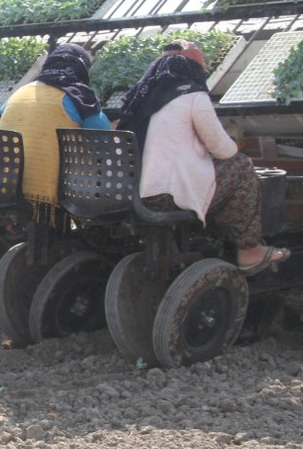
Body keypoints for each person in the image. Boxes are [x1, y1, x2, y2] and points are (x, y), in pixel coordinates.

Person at [118, 40, 289, 275]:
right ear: (194, 70)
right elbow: (223, 149)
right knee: (240, 166)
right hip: (165, 196)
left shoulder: (139, 98)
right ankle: (249, 250)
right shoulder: (192, 95)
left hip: (131, 192)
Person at [0, 42, 111, 216]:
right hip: (55, 190)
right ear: (81, 69)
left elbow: (4, 113)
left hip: (7, 183)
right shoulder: (80, 97)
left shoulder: (20, 93)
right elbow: (105, 142)